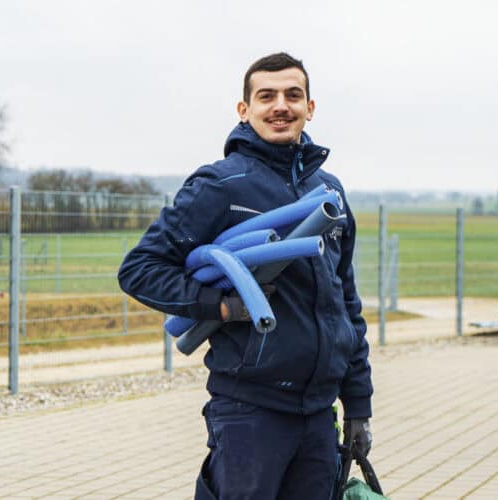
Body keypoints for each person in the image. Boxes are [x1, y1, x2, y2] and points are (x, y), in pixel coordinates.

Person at [118, 52, 373, 500]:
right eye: (266, 96)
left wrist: (358, 405)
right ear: (245, 109)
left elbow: (345, 305)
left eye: (293, 95)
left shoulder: (329, 192)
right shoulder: (221, 186)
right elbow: (140, 269)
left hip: (317, 414)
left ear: (310, 108)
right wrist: (219, 305)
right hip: (250, 412)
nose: (281, 105)